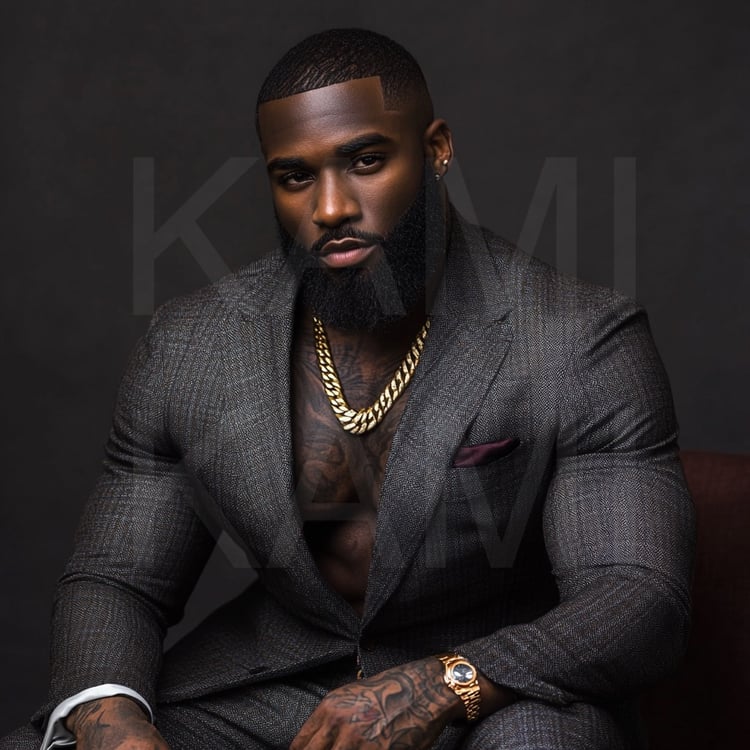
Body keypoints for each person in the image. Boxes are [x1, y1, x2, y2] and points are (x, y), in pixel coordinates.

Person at [2, 27, 694, 750]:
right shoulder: (193, 346)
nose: (330, 207)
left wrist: (443, 683)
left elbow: (638, 597)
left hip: (493, 694)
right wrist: (112, 720)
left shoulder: (577, 339)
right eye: (295, 176)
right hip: (272, 690)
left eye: (366, 160)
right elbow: (117, 578)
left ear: (435, 149)